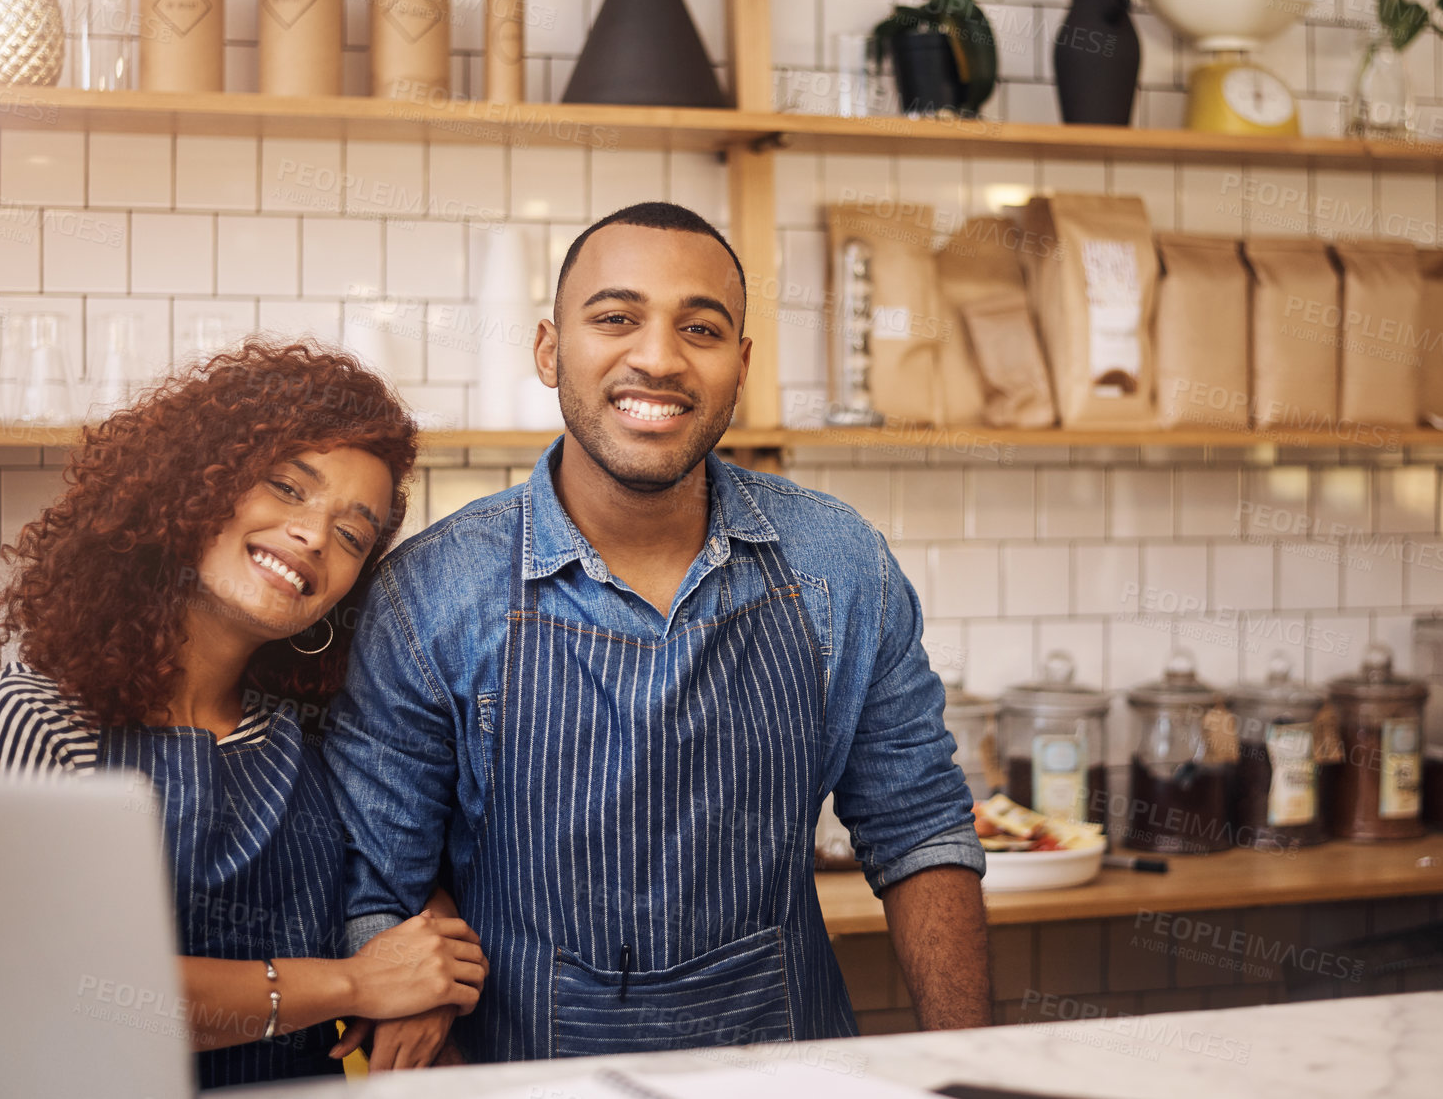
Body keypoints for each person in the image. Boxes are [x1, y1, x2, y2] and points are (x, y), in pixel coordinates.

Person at [324, 201, 990, 1065]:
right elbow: (378, 888)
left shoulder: (839, 563)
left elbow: (920, 829)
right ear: (548, 350)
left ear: (740, 366)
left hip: (791, 1074)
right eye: (616, 318)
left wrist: (976, 1067)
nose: (659, 358)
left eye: (701, 329)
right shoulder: (432, 593)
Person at [0, 341, 490, 1089]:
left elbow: (397, 877)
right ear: (190, 485)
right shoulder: (28, 715)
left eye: (353, 535)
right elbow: (61, 992)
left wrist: (424, 972)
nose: (313, 536)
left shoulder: (315, 731)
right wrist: (353, 985)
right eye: (287, 489)